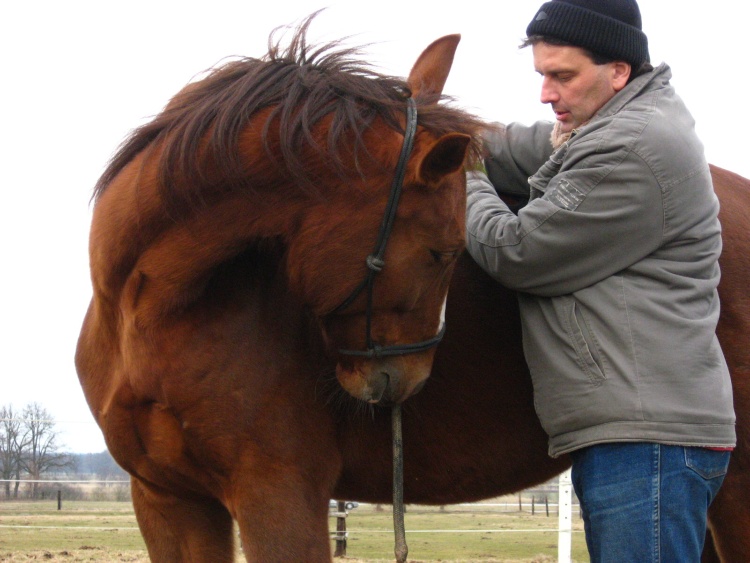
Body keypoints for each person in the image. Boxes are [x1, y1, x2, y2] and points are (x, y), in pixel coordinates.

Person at [464, 0, 737, 560]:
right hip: (645, 436)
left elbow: (518, 251)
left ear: (618, 71)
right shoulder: (608, 128)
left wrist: (457, 174)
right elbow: (510, 146)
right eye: (542, 74)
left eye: (562, 76)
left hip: (647, 441)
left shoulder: (633, 146)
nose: (546, 93)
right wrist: (438, 131)